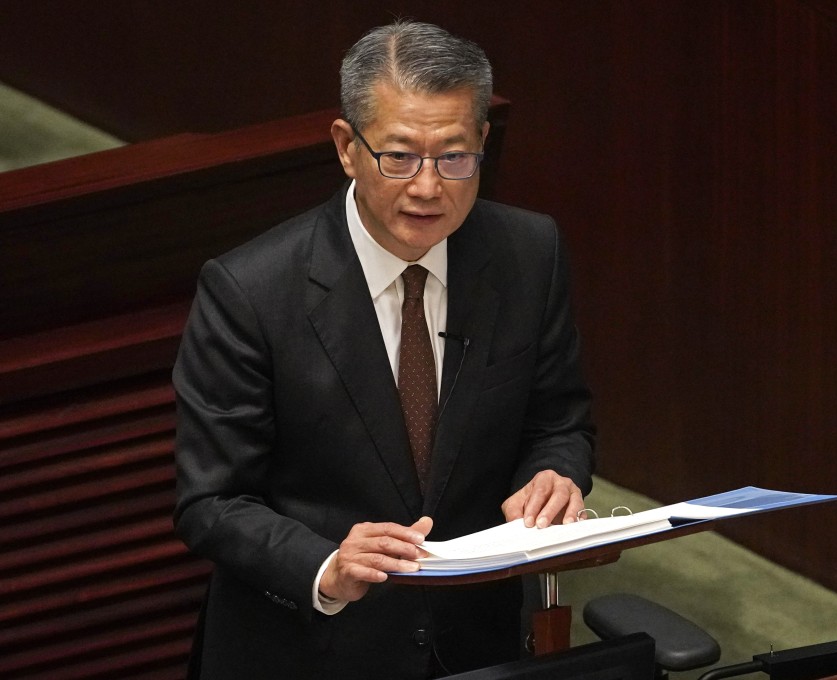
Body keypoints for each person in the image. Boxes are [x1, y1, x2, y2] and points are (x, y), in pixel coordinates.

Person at [173, 19, 595, 680]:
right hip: (308, 651)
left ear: (483, 141)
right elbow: (213, 501)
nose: (428, 187)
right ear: (347, 146)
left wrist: (554, 474)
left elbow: (559, 420)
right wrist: (325, 565)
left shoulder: (529, 253)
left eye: (454, 157)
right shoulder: (250, 291)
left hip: (476, 644)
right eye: (398, 156)